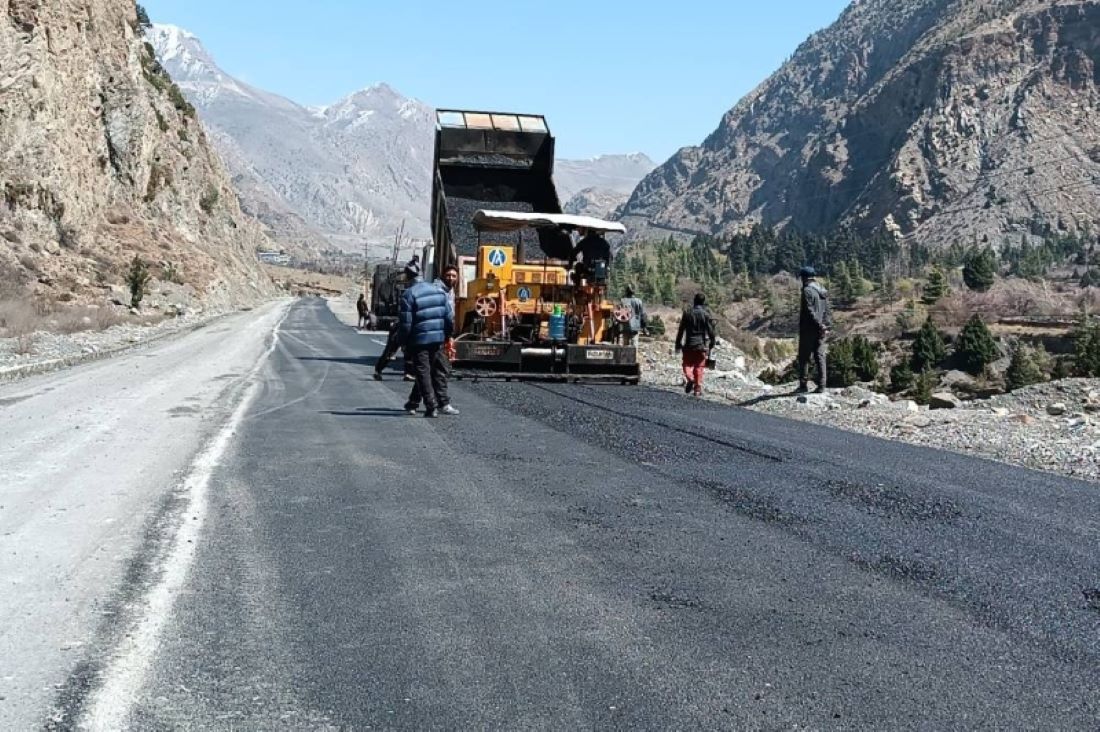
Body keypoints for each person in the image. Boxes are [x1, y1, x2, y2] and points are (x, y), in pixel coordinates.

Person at [398, 268, 455, 418]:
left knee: (423, 372)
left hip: (419, 341)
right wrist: (447, 336)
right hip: (437, 339)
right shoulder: (439, 291)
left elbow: (405, 324)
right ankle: (412, 402)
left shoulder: (409, 294)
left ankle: (431, 406)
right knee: (426, 371)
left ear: (409, 280)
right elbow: (448, 318)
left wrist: (403, 342)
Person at [797, 266, 832, 394]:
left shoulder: (807, 291)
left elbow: (809, 311)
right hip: (821, 329)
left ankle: (803, 385)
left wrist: (819, 324)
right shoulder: (822, 290)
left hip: (809, 329)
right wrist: (826, 326)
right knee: (820, 356)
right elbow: (827, 311)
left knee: (804, 357)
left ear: (804, 278)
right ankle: (822, 385)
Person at [675, 293, 717, 397]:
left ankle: (690, 379)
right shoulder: (706, 314)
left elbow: (681, 330)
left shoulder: (687, 313)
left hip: (689, 344)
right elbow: (710, 331)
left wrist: (678, 343)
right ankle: (697, 389)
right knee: (699, 366)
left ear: (694, 301)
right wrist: (712, 342)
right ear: (703, 302)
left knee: (687, 364)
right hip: (701, 345)